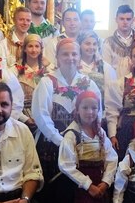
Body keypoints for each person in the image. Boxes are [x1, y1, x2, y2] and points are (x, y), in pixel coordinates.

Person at [57, 91, 118, 203]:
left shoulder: (100, 133)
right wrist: (88, 185)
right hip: (76, 188)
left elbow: (111, 159)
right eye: (85, 107)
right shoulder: (71, 134)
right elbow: (66, 165)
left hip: (98, 185)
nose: (90, 112)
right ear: (77, 109)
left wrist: (105, 183)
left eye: (94, 108)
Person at [31, 38, 101, 185]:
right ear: (57, 58)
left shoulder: (88, 83)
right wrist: (61, 142)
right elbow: (41, 115)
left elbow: (97, 112)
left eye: (74, 54)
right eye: (65, 54)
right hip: (52, 144)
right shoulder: (47, 82)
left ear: (79, 57)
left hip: (81, 145)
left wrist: (89, 139)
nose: (70, 58)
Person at [10, 34, 52, 131]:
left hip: (46, 114)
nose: (34, 50)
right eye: (30, 46)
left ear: (41, 49)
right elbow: (11, 97)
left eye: (37, 46)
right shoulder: (14, 70)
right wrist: (24, 118)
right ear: (24, 49)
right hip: (22, 115)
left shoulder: (49, 69)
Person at [77, 30, 116, 109]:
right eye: (87, 44)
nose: (91, 47)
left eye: (94, 44)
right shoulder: (73, 66)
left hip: (99, 110)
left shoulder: (106, 67)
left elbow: (111, 96)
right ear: (79, 45)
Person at [102, 5, 135, 72]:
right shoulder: (108, 42)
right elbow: (106, 68)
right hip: (115, 80)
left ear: (132, 20)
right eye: (121, 19)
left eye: (128, 19)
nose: (125, 22)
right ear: (116, 19)